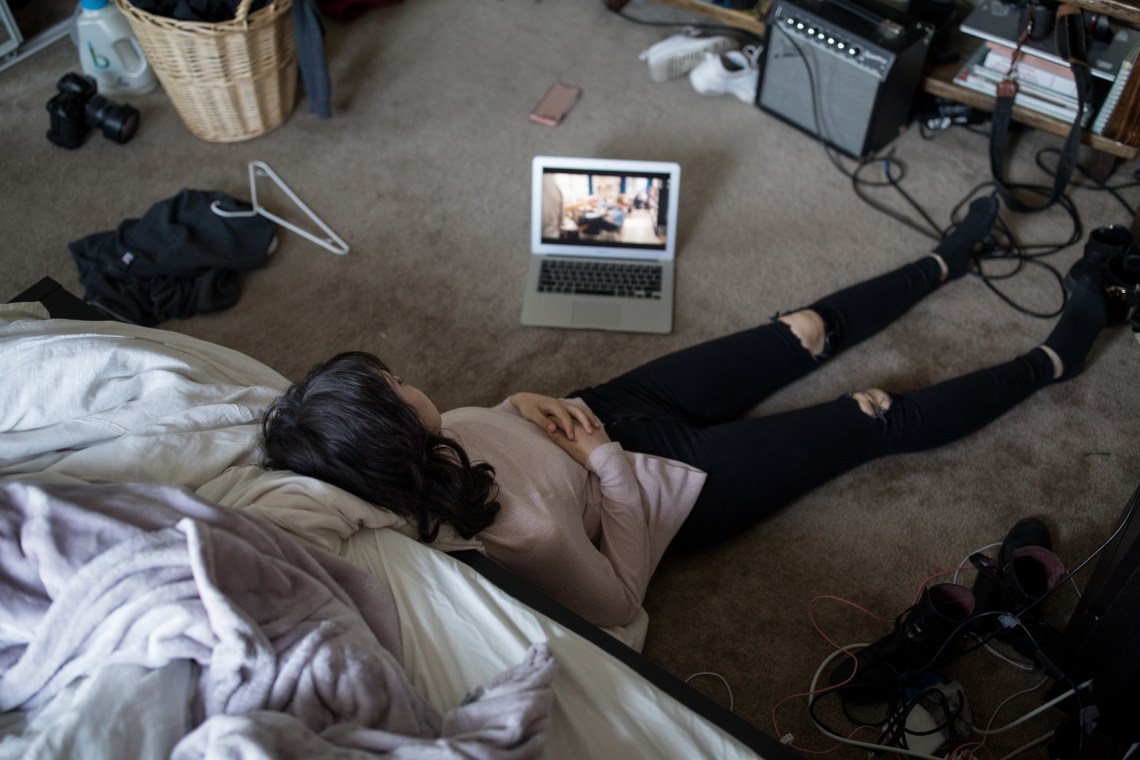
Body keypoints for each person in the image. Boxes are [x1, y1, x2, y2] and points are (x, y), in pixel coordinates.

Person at [261, 198, 1127, 630]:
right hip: (663, 486)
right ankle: (1054, 360)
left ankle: (942, 262)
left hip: (607, 410)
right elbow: (617, 604)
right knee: (870, 417)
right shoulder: (513, 533)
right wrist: (602, 458)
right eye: (396, 389)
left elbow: (483, 418)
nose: (409, 381)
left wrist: (522, 403)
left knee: (800, 329)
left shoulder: (422, 439)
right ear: (393, 436)